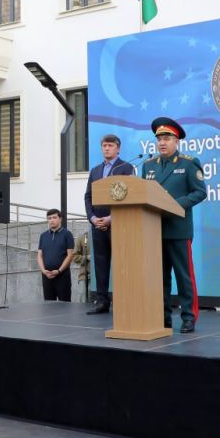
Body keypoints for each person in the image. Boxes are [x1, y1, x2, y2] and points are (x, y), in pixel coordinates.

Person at [141, 117, 208, 333]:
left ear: (176, 140)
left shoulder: (189, 163)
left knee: (183, 276)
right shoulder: (148, 166)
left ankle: (189, 317)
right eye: (159, 138)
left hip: (178, 230)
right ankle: (163, 317)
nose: (162, 142)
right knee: (160, 279)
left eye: (167, 138)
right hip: (154, 230)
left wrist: (174, 205)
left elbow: (200, 192)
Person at [84, 134, 135, 314]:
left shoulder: (126, 167)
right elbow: (88, 196)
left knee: (123, 263)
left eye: (110, 146)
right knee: (100, 263)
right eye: (104, 145)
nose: (107, 148)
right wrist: (93, 219)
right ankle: (102, 301)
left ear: (118, 149)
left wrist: (111, 218)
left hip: (119, 224)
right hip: (97, 224)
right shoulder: (95, 171)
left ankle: (125, 301)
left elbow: (130, 195)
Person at [37, 209, 75, 302]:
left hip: (62, 277)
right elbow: (39, 255)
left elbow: (70, 255)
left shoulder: (67, 234)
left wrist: (58, 271)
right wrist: (43, 271)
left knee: (65, 306)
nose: (51, 220)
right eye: (49, 218)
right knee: (49, 306)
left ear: (60, 219)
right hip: (47, 277)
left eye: (54, 217)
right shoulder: (43, 236)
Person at [72, 231, 91, 303]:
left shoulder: (108, 234)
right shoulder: (83, 237)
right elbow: (75, 257)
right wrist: (86, 257)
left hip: (103, 277)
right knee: (83, 302)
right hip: (85, 276)